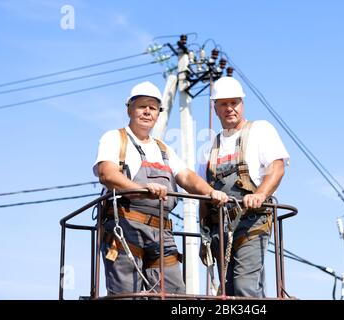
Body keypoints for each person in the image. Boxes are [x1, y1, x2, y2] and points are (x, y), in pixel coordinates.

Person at [93, 81, 228, 296]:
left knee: (174, 292)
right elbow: (107, 174)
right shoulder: (115, 139)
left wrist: (209, 192)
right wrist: (141, 188)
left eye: (153, 108)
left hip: (161, 231)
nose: (147, 112)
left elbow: (186, 176)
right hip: (124, 226)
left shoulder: (163, 149)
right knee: (127, 294)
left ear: (158, 114)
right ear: (129, 108)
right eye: (142, 106)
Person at [198, 76, 290, 298]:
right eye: (224, 104)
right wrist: (204, 238)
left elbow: (277, 167)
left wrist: (259, 194)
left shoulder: (260, 130)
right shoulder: (208, 147)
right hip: (220, 228)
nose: (230, 108)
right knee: (227, 292)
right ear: (215, 108)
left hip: (252, 222)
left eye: (235, 102)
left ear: (242, 103)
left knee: (244, 287)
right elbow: (202, 191)